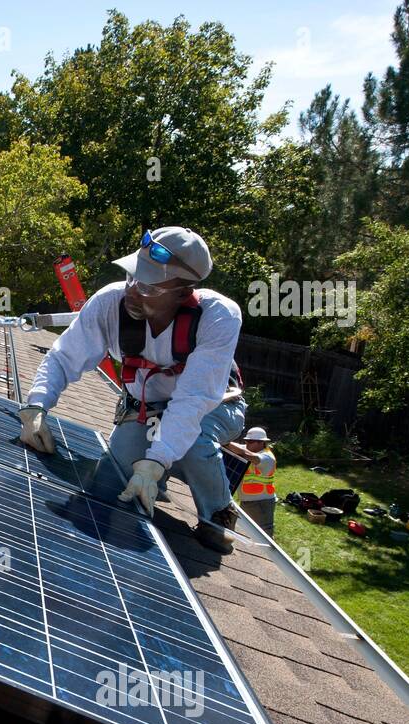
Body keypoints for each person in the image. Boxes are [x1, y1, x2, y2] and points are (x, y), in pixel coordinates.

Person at [18, 227, 246, 554]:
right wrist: (36, 407)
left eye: (149, 285)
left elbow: (193, 400)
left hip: (215, 407)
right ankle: (160, 471)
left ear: (182, 293)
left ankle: (217, 513)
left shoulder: (217, 317)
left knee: (192, 442)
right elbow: (64, 357)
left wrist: (157, 460)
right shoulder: (111, 302)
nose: (133, 291)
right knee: (106, 487)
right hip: (146, 407)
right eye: (132, 276)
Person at [230, 426, 277, 534]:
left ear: (261, 443)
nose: (247, 444)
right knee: (245, 532)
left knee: (263, 535)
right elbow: (238, 448)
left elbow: (247, 454)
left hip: (261, 504)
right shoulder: (249, 448)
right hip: (248, 501)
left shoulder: (268, 458)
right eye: (246, 441)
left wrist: (226, 442)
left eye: (250, 442)